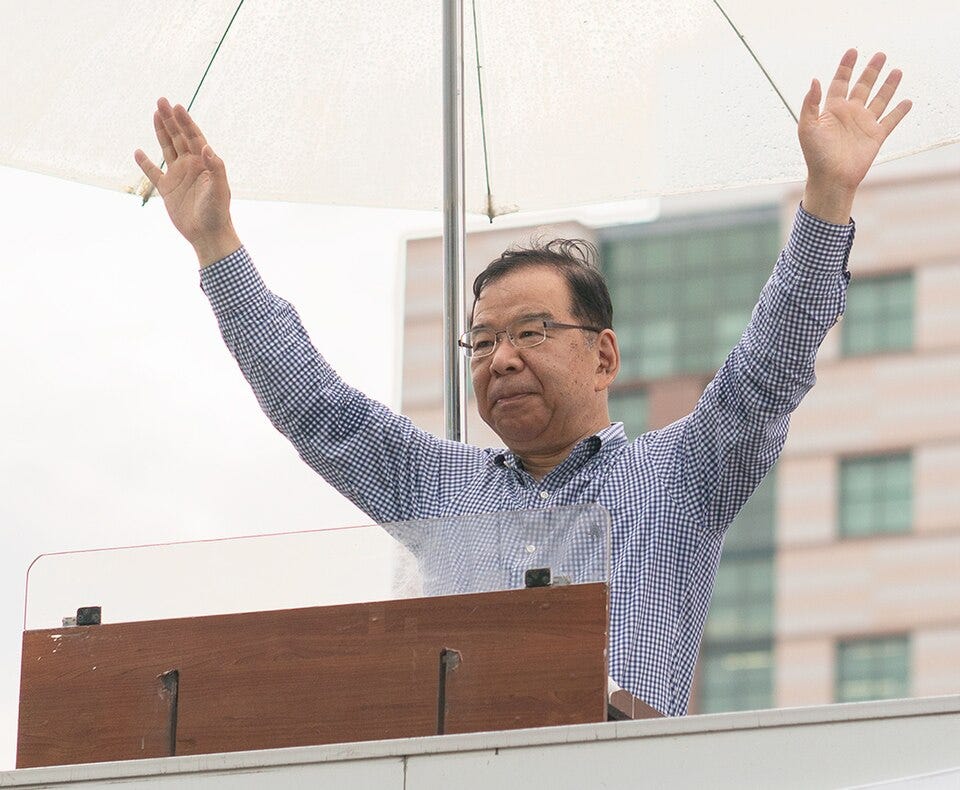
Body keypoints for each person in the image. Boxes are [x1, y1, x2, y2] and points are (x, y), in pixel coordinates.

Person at [135, 50, 911, 716]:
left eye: (532, 332)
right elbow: (315, 409)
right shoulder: (435, 485)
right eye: (483, 340)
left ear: (604, 356)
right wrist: (215, 240)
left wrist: (828, 199)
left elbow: (767, 373)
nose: (500, 358)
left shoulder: (682, 477)